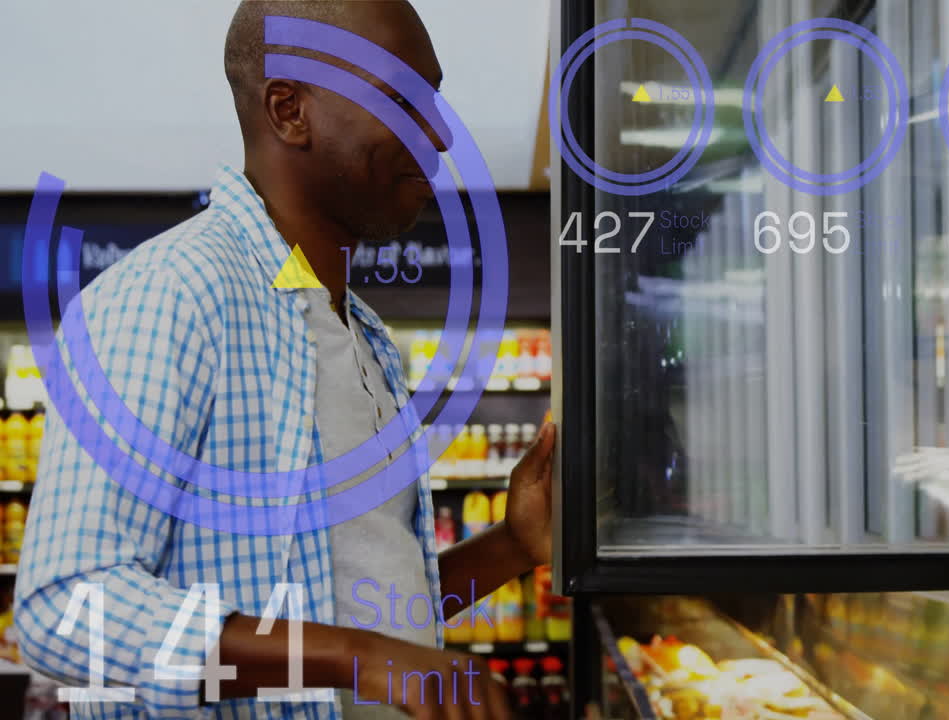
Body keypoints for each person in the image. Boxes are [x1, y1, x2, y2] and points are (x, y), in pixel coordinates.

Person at [15, 2, 553, 718]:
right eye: (402, 98)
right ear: (289, 111)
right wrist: (359, 659)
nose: (440, 133)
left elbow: (362, 609)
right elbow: (67, 609)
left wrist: (511, 545)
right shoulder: (170, 293)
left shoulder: (362, 336)